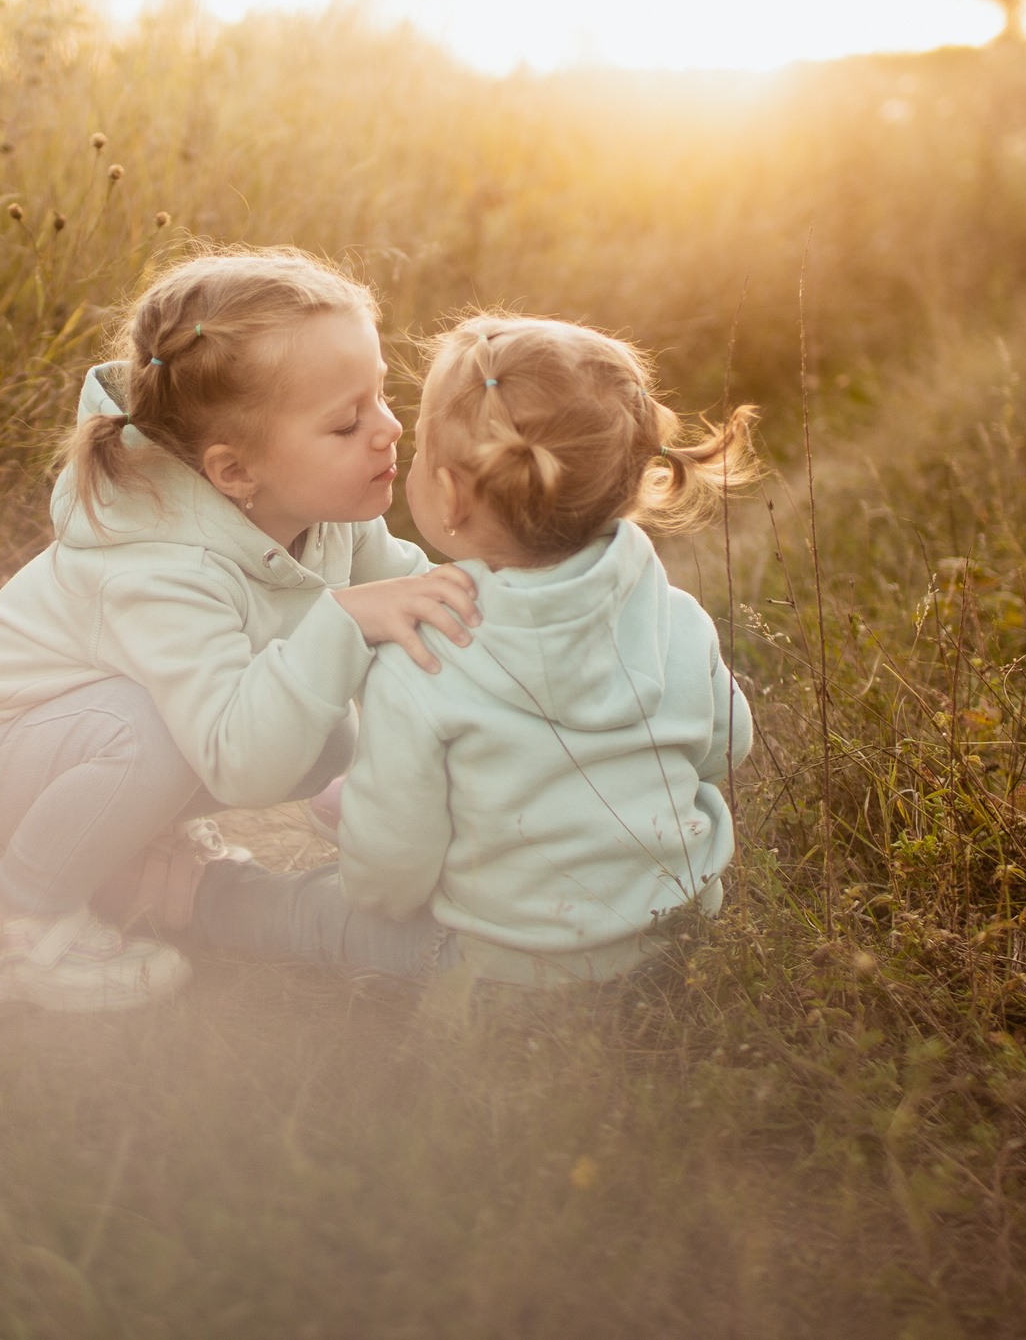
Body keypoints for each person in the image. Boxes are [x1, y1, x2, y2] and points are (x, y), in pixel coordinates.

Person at [0, 248, 479, 1011]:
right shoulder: (159, 567)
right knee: (164, 729)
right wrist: (341, 622)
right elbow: (241, 764)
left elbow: (420, 606)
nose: (390, 428)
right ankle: (11, 926)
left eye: (381, 395)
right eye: (347, 422)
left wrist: (541, 631)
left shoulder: (322, 512)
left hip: (84, 744)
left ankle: (130, 846)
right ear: (235, 471)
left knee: (327, 736)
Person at [313, 314, 762, 986]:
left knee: (312, 911)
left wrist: (370, 877)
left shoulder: (422, 655)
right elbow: (729, 745)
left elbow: (389, 876)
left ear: (449, 496)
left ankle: (196, 893)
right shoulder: (679, 619)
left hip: (508, 972)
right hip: (682, 935)